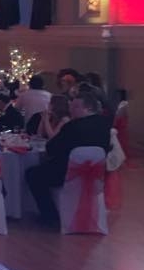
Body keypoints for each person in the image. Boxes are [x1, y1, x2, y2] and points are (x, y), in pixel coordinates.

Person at [25, 89, 111, 225]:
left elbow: (52, 148)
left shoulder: (73, 126)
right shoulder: (104, 124)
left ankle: (50, 217)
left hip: (69, 173)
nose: (71, 110)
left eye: (76, 107)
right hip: (96, 174)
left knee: (32, 174)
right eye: (71, 106)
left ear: (88, 108)